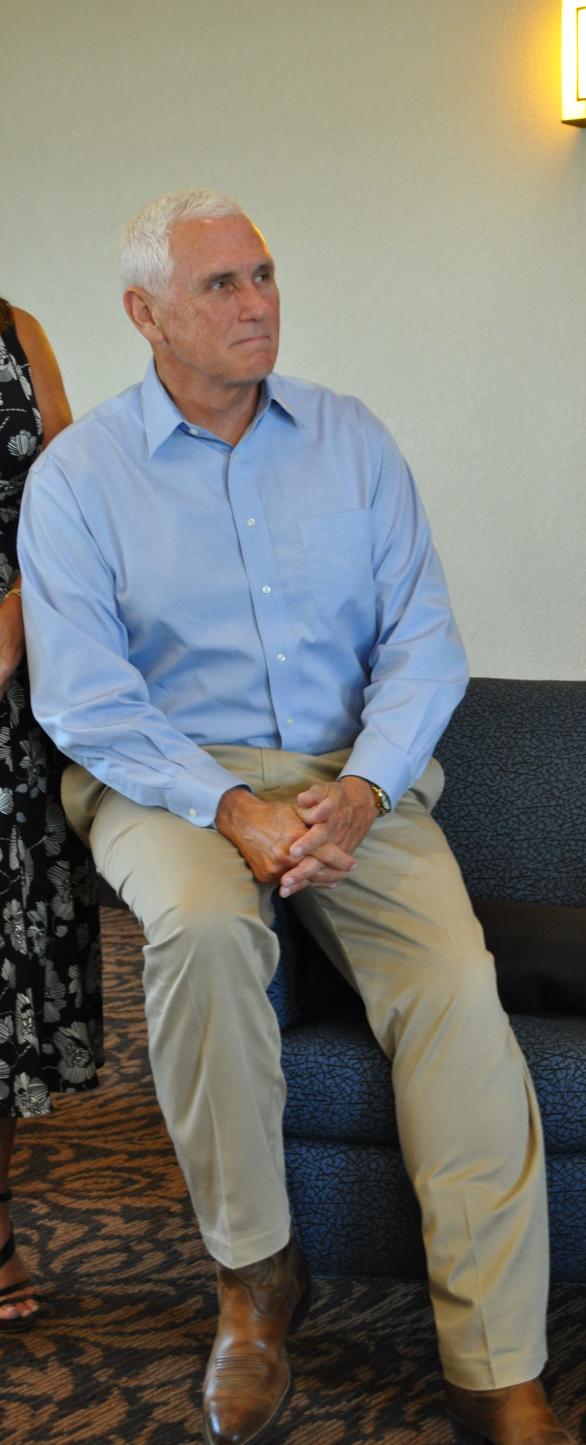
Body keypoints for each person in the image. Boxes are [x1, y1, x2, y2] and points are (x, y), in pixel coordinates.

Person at [18, 190, 574, 1445]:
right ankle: (255, 1280)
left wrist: (365, 790)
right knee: (207, 936)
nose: (256, 301)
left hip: (348, 774)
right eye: (219, 285)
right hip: (170, 773)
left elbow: (425, 644)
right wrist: (227, 807)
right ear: (143, 314)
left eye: (263, 273)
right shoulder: (80, 478)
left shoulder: (353, 441)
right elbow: (87, 699)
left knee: (453, 985)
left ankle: (496, 1360)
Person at [0, 300, 102, 1331]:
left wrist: (17, 614)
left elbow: (60, 498)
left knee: (2, 958)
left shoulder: (14, 328)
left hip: (8, 676)